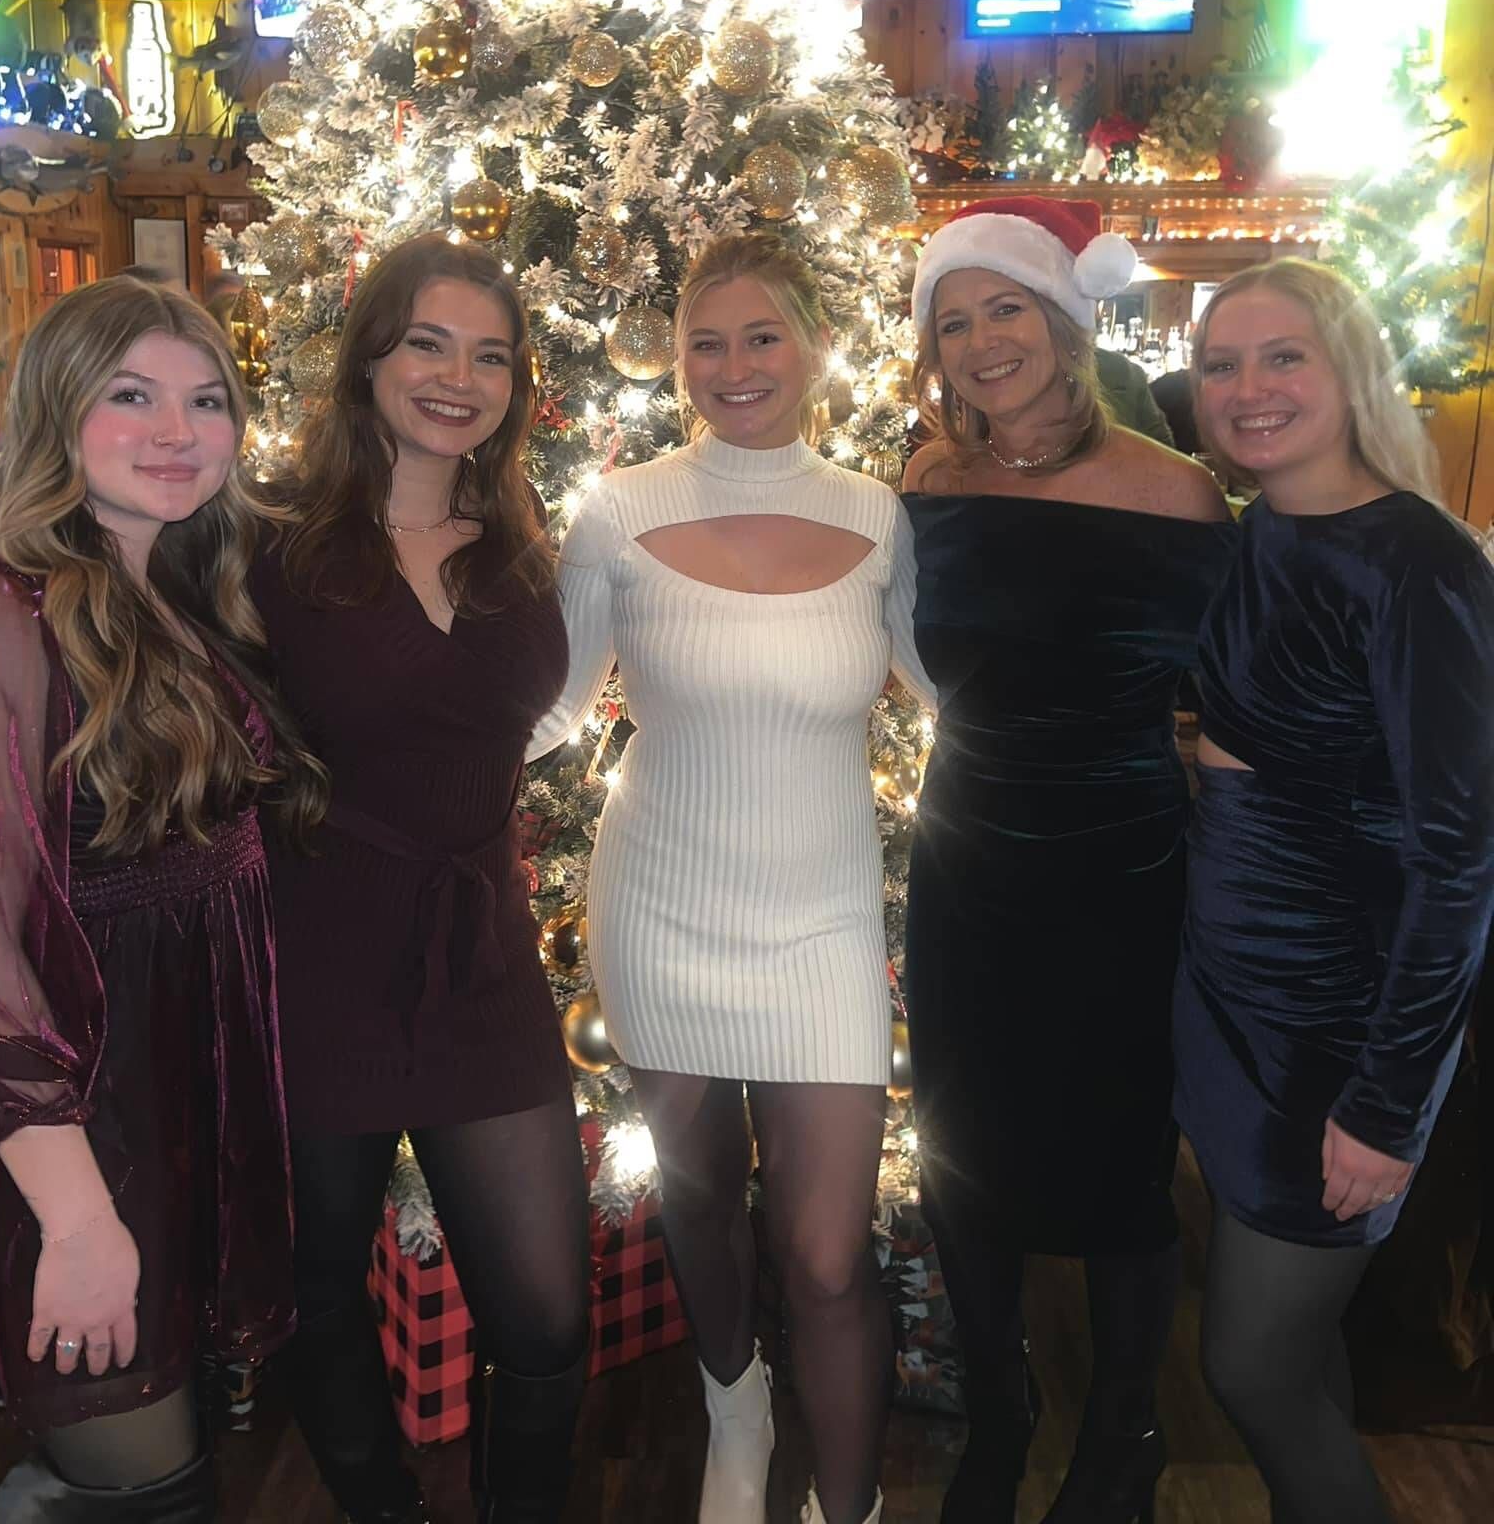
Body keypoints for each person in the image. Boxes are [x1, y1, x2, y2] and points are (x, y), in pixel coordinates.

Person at [529, 232, 933, 1524]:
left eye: (764, 336)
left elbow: (959, 694)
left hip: (819, 930)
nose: (735, 365)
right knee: (699, 1193)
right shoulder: (620, 512)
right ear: (677, 358)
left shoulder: (880, 517)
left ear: (817, 345)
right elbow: (544, 711)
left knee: (826, 1255)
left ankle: (852, 1507)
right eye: (707, 340)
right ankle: (735, 1406)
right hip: (661, 906)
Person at [0, 276, 323, 1522]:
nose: (178, 430)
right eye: (132, 395)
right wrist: (73, 1216)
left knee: (147, 1465)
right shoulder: (2, 612)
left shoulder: (177, 589)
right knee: (151, 1481)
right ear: (57, 412)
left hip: (179, 1100)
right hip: (79, 1123)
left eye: (206, 400)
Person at [900, 198, 1236, 1524]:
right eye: (956, 319)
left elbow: (1233, 688)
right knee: (961, 1154)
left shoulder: (1178, 492)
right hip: (968, 864)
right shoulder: (930, 479)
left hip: (1121, 878)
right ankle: (1000, 1412)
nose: (985, 341)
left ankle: (1125, 1433)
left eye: (1008, 308)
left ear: (1066, 320)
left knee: (1117, 1166)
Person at [250, 233, 590, 1524]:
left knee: (548, 1322)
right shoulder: (270, 545)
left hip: (483, 965)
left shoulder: (521, 547)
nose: (461, 377)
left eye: (492, 355)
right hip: (322, 957)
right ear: (372, 358)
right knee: (321, 1288)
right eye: (430, 343)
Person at [1174, 259, 1494, 1522]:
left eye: (1282, 357)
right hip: (1228, 996)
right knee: (1301, 1357)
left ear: (1348, 366)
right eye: (1220, 366)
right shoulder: (1258, 532)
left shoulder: (1415, 561)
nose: (1248, 390)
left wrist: (1388, 1100)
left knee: (1247, 1365)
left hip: (1336, 1030)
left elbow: (1463, 857)